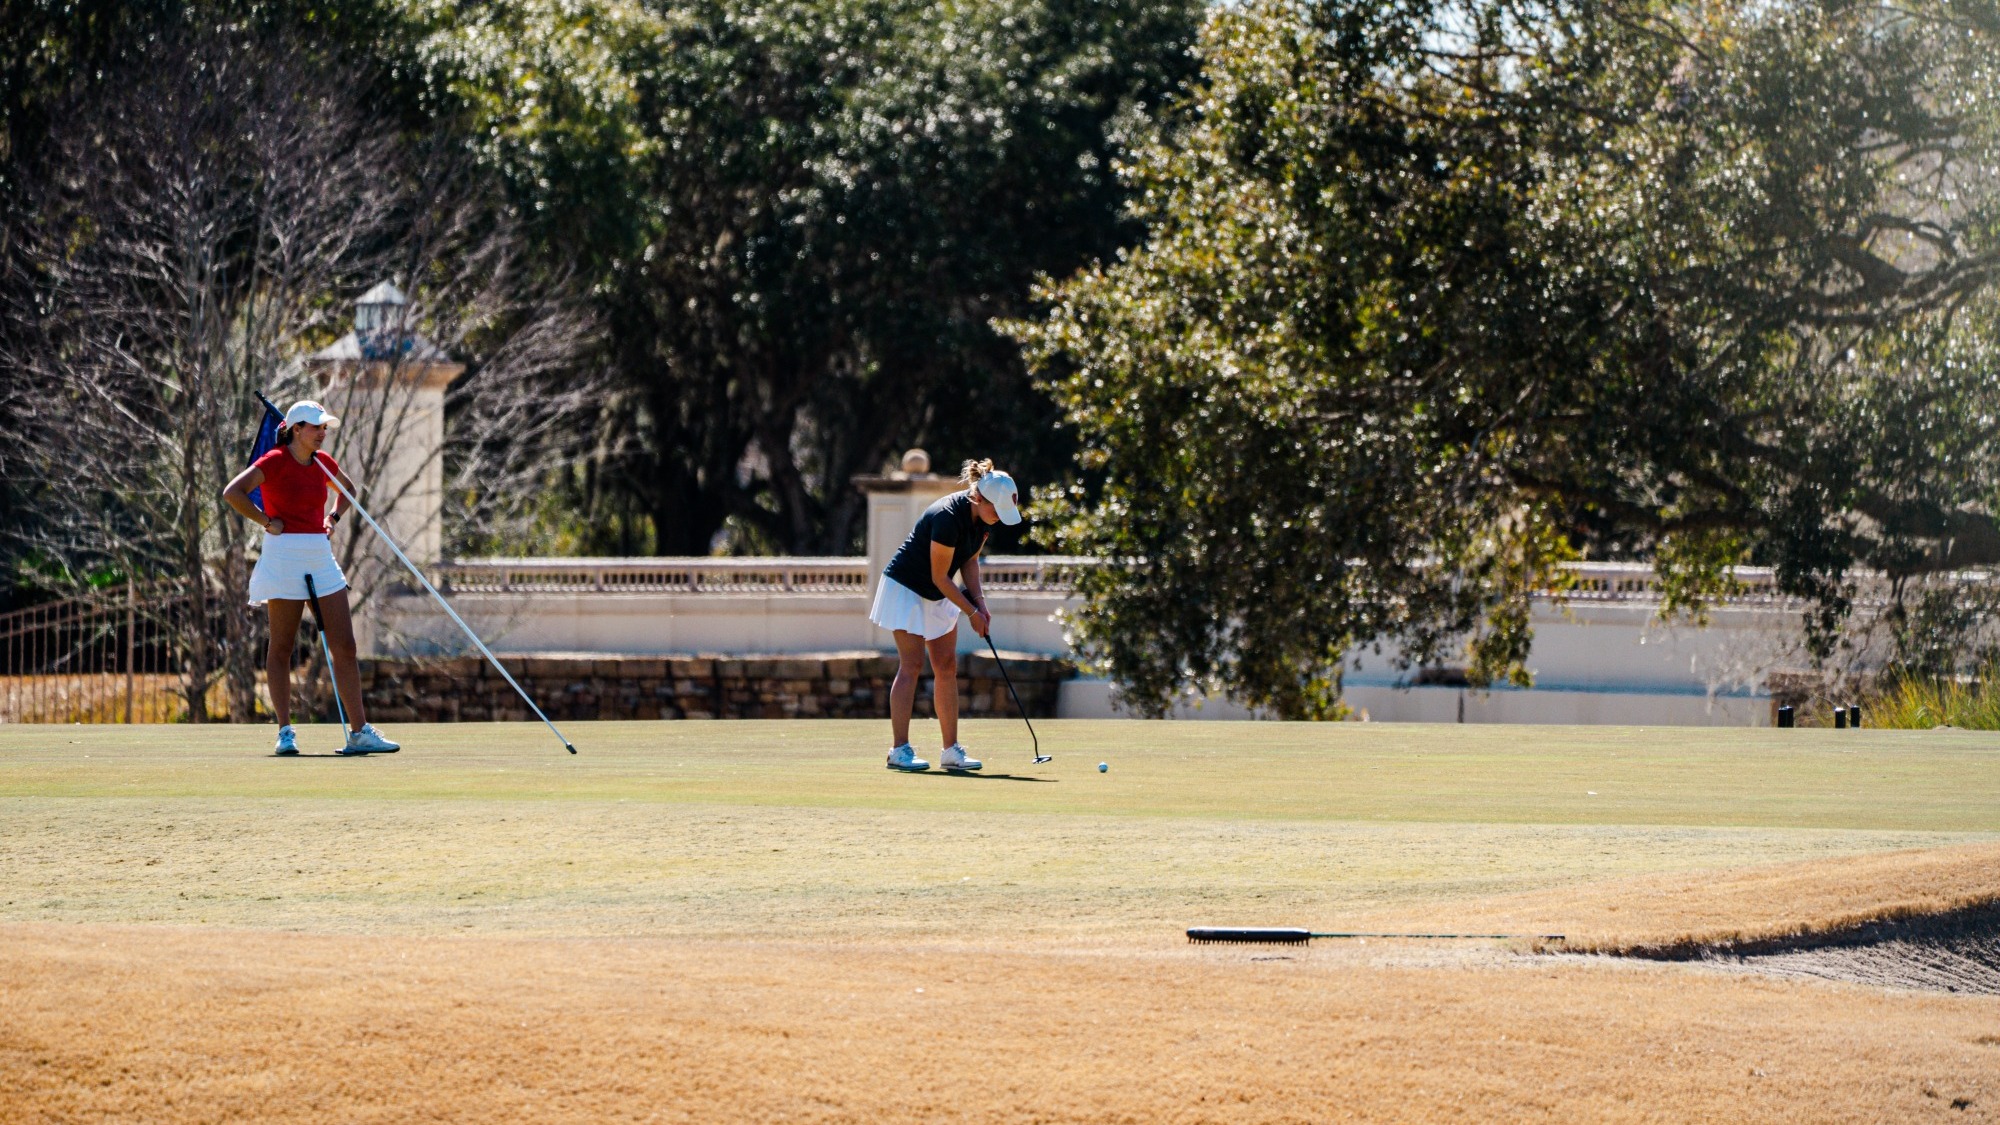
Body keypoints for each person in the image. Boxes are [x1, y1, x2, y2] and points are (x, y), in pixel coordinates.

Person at [221, 400, 400, 756]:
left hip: (319, 554)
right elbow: (232, 493)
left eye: (324, 427)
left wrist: (332, 519)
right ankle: (285, 732)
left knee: (344, 646)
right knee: (282, 647)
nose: (322, 433)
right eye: (316, 427)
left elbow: (347, 490)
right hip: (283, 554)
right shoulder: (273, 461)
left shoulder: (322, 462)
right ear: (295, 429)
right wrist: (265, 521)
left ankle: (360, 731)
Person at [869, 458, 1022, 772]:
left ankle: (951, 751)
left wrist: (980, 604)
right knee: (911, 665)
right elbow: (941, 576)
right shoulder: (946, 517)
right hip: (907, 587)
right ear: (979, 498)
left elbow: (969, 564)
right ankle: (899, 750)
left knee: (946, 665)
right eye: (996, 510)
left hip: (937, 592)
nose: (998, 518)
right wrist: (970, 613)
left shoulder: (983, 521)